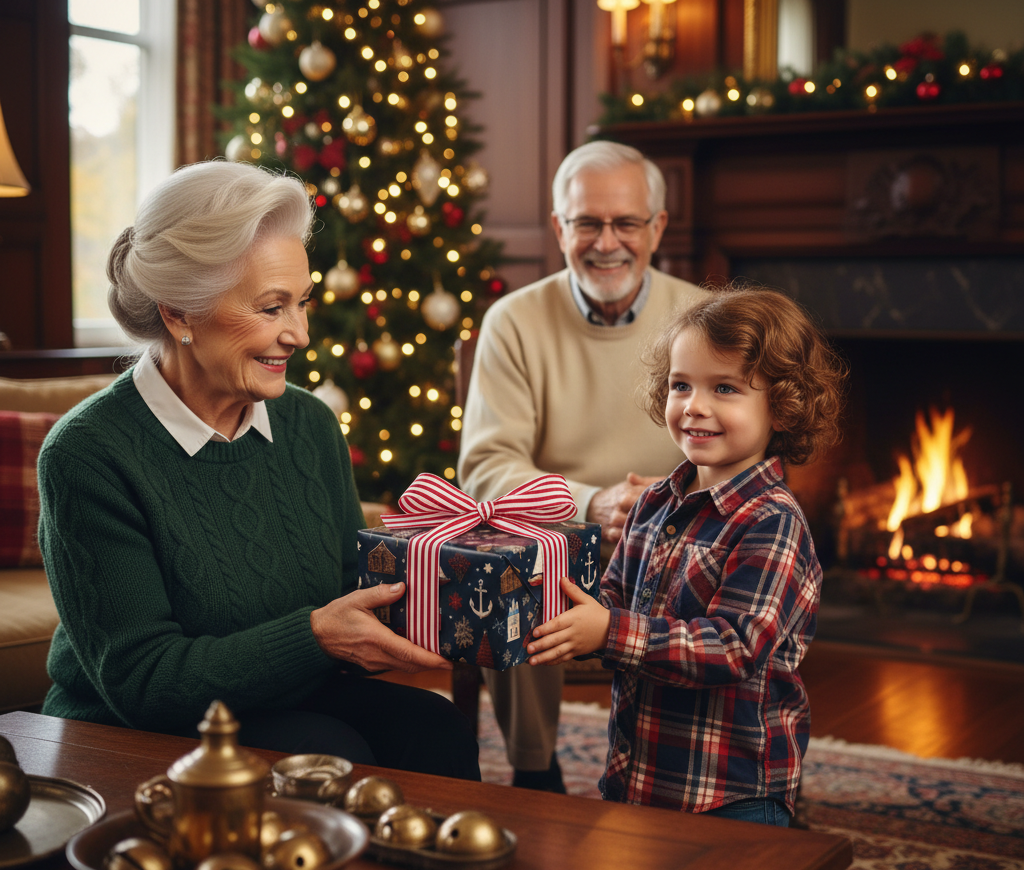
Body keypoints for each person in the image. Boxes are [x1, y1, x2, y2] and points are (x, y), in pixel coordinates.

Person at [37, 161, 479, 780]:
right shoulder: (88, 453)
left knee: (438, 729)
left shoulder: (309, 424)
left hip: (288, 694)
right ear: (179, 315)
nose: (298, 333)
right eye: (271, 308)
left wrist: (468, 603)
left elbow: (346, 595)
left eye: (301, 303)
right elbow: (144, 683)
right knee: (330, 757)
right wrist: (317, 637)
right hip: (135, 723)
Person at [525, 287, 846, 824]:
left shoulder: (774, 523)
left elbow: (734, 647)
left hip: (734, 793)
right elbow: (613, 599)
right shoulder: (654, 502)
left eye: (725, 388)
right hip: (640, 775)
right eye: (681, 385)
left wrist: (609, 631)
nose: (695, 406)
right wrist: (560, 610)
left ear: (783, 407)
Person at [458, 140, 704, 792]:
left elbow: (743, 451)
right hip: (561, 541)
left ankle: (687, 774)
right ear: (559, 226)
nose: (606, 242)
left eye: (625, 223)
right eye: (587, 223)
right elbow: (486, 466)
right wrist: (591, 503)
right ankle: (535, 770)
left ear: (657, 227)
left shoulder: (705, 320)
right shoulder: (513, 321)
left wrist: (667, 502)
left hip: (679, 537)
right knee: (508, 566)